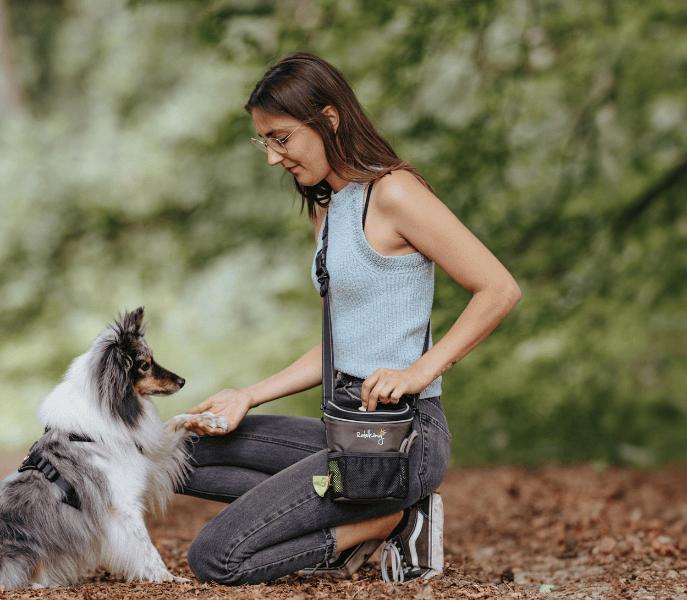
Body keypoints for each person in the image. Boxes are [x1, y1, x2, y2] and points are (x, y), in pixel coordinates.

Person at [178, 52, 520, 585]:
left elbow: (498, 288)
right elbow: (337, 345)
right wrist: (248, 394)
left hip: (399, 436)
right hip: (344, 428)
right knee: (180, 453)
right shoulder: (327, 212)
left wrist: (418, 371)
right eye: (264, 141)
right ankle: (358, 508)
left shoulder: (395, 193)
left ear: (329, 120)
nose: (273, 158)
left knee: (216, 558)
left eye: (281, 138)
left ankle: (386, 518)